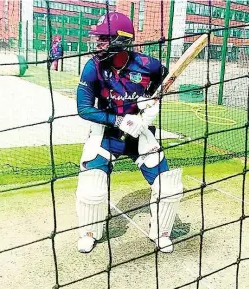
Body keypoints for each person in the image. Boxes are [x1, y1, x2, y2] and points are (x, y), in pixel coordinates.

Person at [75, 12, 183, 254]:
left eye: (104, 39)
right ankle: (90, 232)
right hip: (107, 134)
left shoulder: (148, 65)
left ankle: (161, 232)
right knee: (92, 186)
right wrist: (120, 120)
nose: (98, 44)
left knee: (169, 187)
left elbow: (162, 85)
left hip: (140, 134)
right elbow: (83, 108)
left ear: (121, 41)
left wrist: (150, 105)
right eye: (99, 39)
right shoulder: (93, 67)